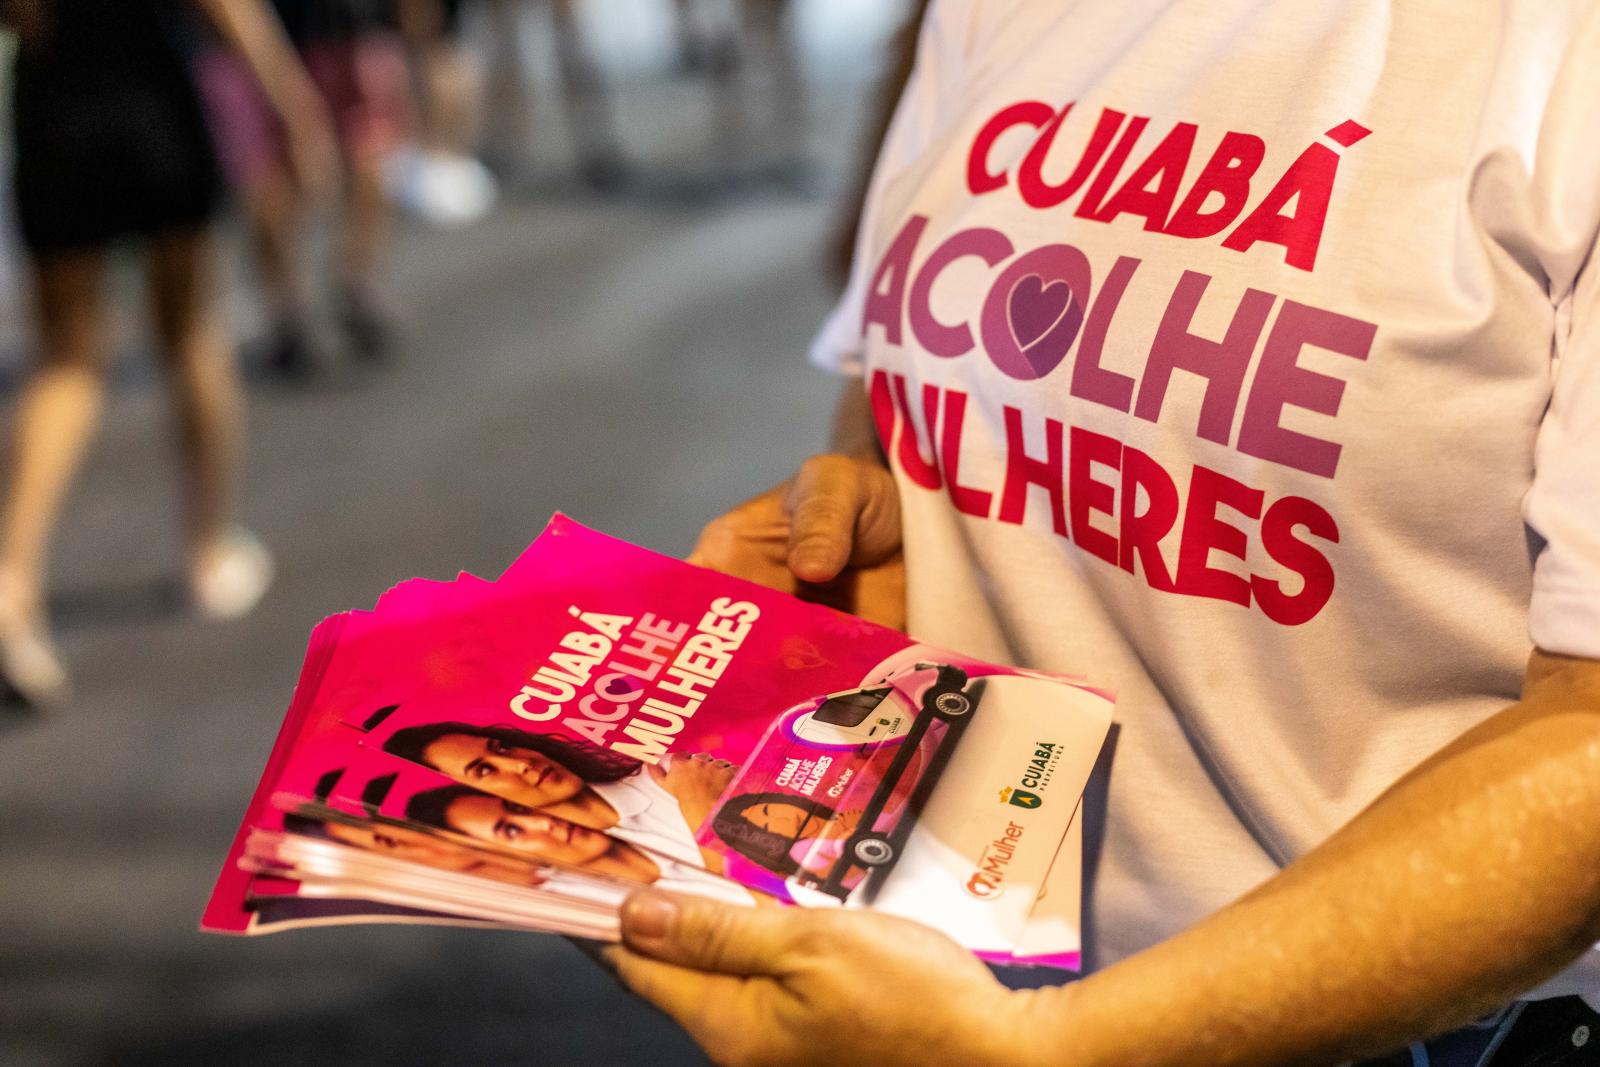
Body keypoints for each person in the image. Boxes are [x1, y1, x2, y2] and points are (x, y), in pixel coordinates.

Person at [602, 3, 1600, 1066]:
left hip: (1382, 1016)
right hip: (935, 937)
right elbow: (886, 364)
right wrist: (879, 487)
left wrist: (1046, 1048)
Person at [0, 0, 333, 705]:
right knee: (189, 333)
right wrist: (294, 109)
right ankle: (207, 550)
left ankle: (10, 580)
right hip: (156, 104)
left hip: (52, 113)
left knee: (64, 362)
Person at [197, 0, 408, 373]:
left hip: (338, 27)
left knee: (363, 147)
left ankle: (341, 285)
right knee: (269, 172)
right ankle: (298, 306)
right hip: (279, 30)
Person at [382, 721, 736, 870]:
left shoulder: (672, 774)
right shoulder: (566, 872)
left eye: (502, 748)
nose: (520, 764)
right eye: (485, 771)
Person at [405, 782, 752, 903]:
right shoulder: (599, 913)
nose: (543, 821)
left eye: (517, 807)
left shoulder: (666, 800)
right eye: (511, 831)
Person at [710, 792, 863, 878]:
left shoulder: (850, 803)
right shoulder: (809, 858)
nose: (781, 819)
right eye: (766, 827)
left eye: (767, 810)